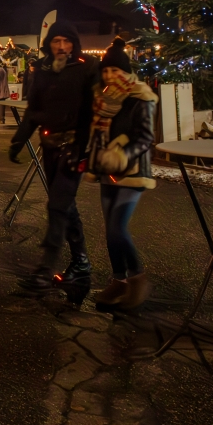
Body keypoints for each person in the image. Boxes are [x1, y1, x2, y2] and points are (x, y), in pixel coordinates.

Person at [9, 21, 99, 291]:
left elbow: (96, 112)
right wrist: (19, 139)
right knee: (65, 205)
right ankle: (81, 264)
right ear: (49, 43)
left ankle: (45, 270)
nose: (61, 47)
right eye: (56, 41)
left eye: (67, 41)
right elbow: (34, 109)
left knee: (58, 205)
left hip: (75, 147)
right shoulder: (43, 70)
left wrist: (86, 147)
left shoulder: (87, 69)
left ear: (74, 44)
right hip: (50, 146)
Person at [83, 38, 158, 310]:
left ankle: (138, 278)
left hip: (132, 171)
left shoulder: (141, 96)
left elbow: (145, 137)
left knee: (117, 228)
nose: (109, 75)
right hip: (106, 171)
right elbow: (98, 134)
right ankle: (119, 281)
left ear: (125, 71)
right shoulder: (103, 100)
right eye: (105, 71)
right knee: (109, 231)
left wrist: (121, 155)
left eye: (114, 70)